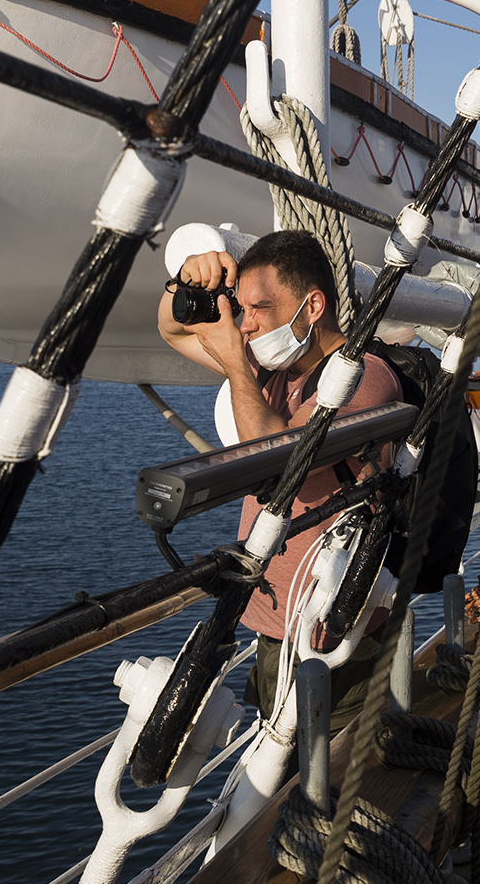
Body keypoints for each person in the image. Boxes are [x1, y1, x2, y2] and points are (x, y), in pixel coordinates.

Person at [156, 228, 402, 731]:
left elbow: (284, 462)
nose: (246, 326)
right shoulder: (279, 371)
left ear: (312, 306)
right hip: (279, 632)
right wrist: (186, 283)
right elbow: (173, 330)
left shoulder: (362, 376)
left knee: (330, 786)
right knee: (277, 789)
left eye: (260, 309)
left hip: (337, 643)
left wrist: (235, 367)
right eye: (241, 310)